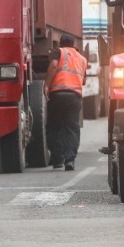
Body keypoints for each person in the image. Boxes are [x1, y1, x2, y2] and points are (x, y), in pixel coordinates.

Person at [43, 34, 88, 171]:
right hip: (74, 95)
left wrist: (47, 84)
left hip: (57, 93)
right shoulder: (82, 59)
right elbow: (84, 80)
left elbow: (54, 64)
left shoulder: (59, 51)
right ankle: (70, 160)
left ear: (61, 43)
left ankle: (57, 160)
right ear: (73, 44)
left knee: (54, 126)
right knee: (72, 127)